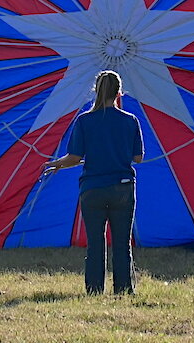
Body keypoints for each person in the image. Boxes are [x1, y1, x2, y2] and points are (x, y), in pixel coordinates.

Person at [42, 70, 144, 294]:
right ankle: (124, 290)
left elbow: (74, 158)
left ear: (96, 90)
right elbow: (138, 157)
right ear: (119, 92)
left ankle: (95, 290)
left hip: (93, 188)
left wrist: (56, 164)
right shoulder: (130, 121)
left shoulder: (85, 121)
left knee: (95, 243)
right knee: (121, 243)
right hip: (123, 187)